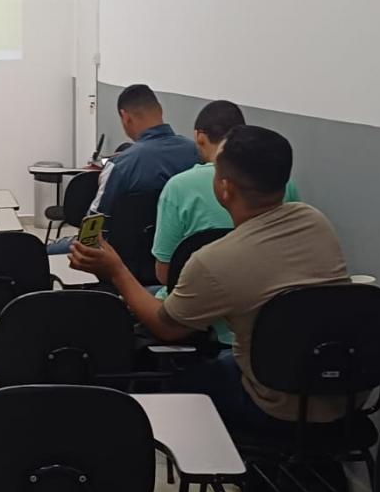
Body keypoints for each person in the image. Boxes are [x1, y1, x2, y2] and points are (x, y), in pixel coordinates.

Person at [69, 125, 350, 437]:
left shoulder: (215, 261)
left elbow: (167, 327)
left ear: (225, 189)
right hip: (342, 392)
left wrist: (116, 271)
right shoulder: (316, 222)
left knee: (177, 381)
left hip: (272, 405)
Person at [149, 101, 301, 343]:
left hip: (199, 325)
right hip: (271, 322)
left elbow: (165, 276)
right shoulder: (298, 204)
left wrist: (117, 272)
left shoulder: (180, 187)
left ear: (225, 189)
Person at [46, 84, 197, 255]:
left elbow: (92, 230)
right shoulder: (196, 153)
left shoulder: (119, 165)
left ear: (125, 117)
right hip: (178, 256)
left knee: (43, 253)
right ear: (160, 110)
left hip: (120, 261)